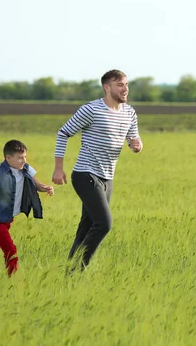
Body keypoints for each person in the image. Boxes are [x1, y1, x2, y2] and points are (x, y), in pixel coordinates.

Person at [52, 69, 143, 269]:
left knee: (86, 227)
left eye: (126, 84)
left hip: (107, 178)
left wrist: (136, 145)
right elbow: (63, 133)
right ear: (107, 87)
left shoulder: (129, 112)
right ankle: (77, 269)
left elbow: (133, 138)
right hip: (86, 174)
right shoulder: (91, 110)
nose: (125, 88)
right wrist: (59, 169)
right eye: (119, 85)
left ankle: (69, 276)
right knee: (103, 224)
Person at [0, 140, 54, 276]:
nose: (23, 160)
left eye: (24, 157)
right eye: (19, 158)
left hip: (8, 219)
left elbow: (37, 185)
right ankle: (13, 279)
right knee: (11, 251)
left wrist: (46, 188)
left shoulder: (26, 169)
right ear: (8, 158)